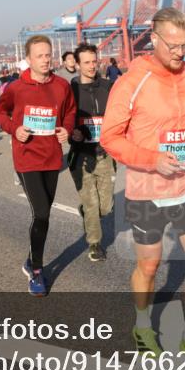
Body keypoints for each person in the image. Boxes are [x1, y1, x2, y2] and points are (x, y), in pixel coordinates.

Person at [100, 7, 185, 370]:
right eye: (172, 45)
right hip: (146, 190)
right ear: (152, 39)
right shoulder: (131, 82)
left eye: (184, 45)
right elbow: (110, 138)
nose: (179, 52)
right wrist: (151, 159)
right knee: (150, 265)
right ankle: (143, 326)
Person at [0, 35, 76, 296]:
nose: (45, 59)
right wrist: (14, 128)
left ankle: (31, 257)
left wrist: (67, 130)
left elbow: (70, 112)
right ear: (28, 59)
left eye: (48, 54)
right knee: (40, 213)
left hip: (52, 157)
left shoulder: (62, 85)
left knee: (45, 214)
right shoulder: (17, 88)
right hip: (26, 157)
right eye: (39, 55)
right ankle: (37, 271)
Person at [69, 43, 114, 262]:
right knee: (92, 203)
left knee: (106, 207)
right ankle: (94, 244)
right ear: (77, 65)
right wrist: (72, 133)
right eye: (86, 62)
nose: (91, 66)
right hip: (80, 156)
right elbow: (61, 121)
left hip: (105, 154)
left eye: (94, 61)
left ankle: (88, 213)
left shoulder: (108, 87)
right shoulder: (70, 91)